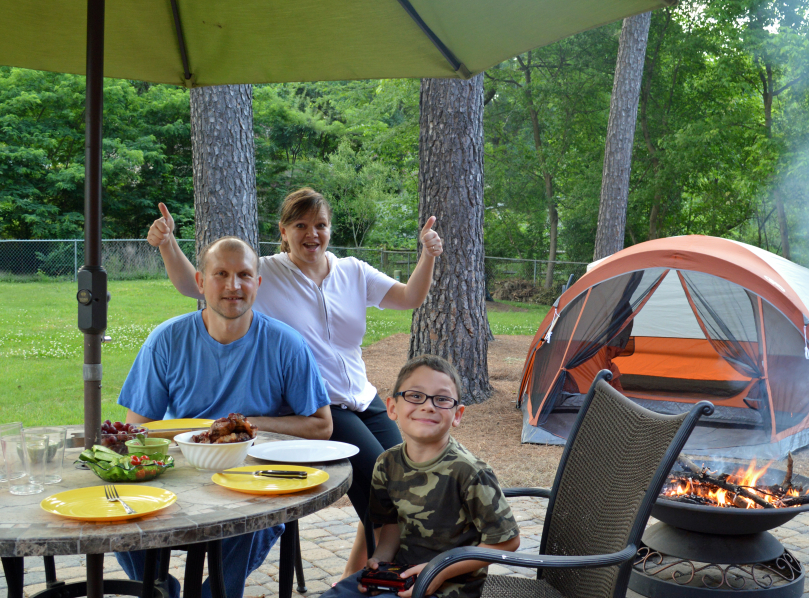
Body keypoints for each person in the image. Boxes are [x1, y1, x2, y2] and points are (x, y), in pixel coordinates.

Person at [147, 187, 443, 576]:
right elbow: (196, 286)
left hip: (364, 400)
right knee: (386, 493)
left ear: (330, 229)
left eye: (320, 224)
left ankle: (352, 580)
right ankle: (374, 579)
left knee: (409, 484)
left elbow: (409, 297)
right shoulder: (266, 272)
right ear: (283, 231)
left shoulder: (353, 270)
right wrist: (168, 244)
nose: (312, 234)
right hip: (322, 407)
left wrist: (427, 256)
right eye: (300, 224)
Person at [117, 236, 332, 598]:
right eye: (221, 274)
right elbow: (136, 428)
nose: (233, 286)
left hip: (254, 473)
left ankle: (214, 594)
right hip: (181, 469)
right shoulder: (166, 340)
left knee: (258, 517)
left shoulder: (287, 344)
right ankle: (155, 588)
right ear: (200, 282)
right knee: (119, 505)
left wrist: (250, 424)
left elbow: (322, 425)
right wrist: (201, 435)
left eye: (244, 275)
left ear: (258, 284)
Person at [323, 354, 520, 598]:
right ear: (392, 408)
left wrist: (438, 571)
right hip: (401, 575)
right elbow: (391, 524)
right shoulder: (386, 463)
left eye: (442, 399)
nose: (428, 406)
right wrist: (380, 562)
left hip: (451, 586)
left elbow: (507, 543)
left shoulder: (470, 472)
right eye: (415, 396)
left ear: (457, 414)